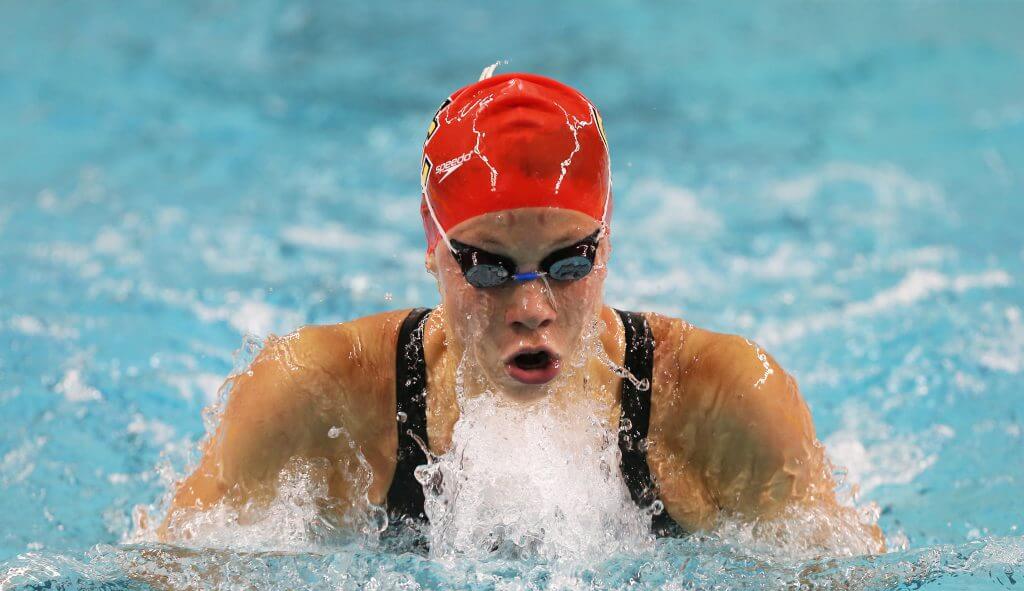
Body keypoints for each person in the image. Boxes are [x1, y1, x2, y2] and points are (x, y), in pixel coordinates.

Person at [158, 72, 883, 550]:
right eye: (487, 266)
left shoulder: (724, 401)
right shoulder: (313, 396)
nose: (531, 308)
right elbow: (172, 584)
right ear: (433, 246)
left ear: (608, 242)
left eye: (570, 261)